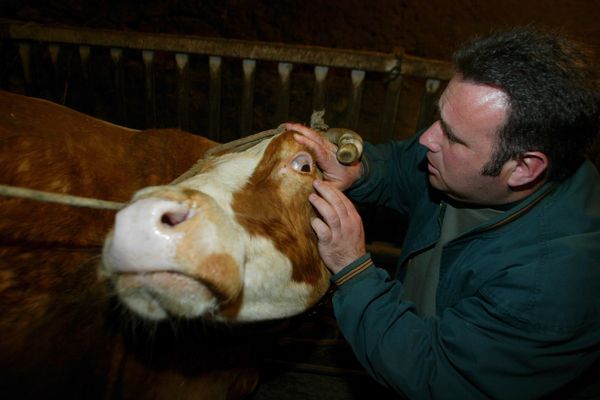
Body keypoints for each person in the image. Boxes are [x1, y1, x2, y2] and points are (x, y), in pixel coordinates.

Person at [287, 26, 600, 399]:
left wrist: (353, 270)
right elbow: (405, 166)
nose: (427, 138)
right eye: (439, 118)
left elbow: (434, 374)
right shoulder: (465, 164)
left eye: (452, 136)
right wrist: (362, 169)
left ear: (523, 168)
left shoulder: (553, 287)